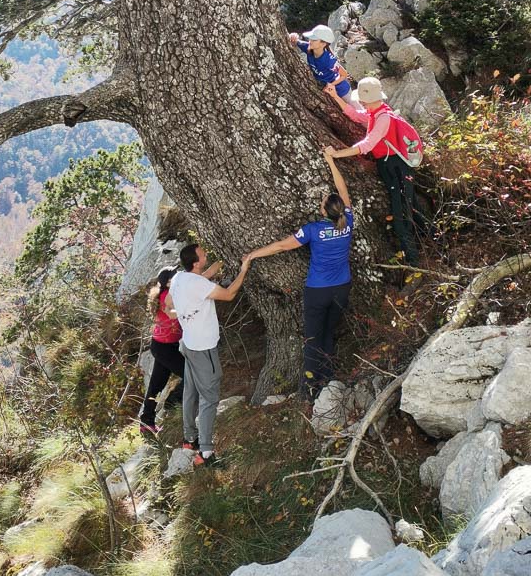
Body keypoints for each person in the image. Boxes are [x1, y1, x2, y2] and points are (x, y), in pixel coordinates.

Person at [244, 149, 353, 401]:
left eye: (322, 200)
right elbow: (343, 190)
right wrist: (331, 162)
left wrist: (253, 254)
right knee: (327, 333)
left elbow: (282, 245)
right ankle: (328, 379)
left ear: (324, 210)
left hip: (317, 292)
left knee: (313, 338)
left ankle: (309, 390)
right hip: (342, 288)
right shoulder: (347, 221)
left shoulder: (313, 230)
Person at [325, 75, 420, 265]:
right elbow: (356, 116)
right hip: (390, 166)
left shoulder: (383, 117)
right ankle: (428, 242)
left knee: (401, 213)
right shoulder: (376, 112)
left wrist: (337, 154)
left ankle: (413, 260)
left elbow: (367, 144)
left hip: (397, 168)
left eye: (363, 100)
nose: (362, 104)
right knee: (407, 206)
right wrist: (335, 97)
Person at [170, 244, 251, 466]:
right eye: (203, 255)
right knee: (210, 399)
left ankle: (189, 438)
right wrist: (244, 269)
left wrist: (219, 264)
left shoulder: (179, 278)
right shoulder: (197, 283)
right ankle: (206, 453)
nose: (206, 255)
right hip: (203, 349)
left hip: (188, 344)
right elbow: (229, 294)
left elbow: (198, 283)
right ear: (196, 262)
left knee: (190, 392)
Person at [137, 260, 220, 435]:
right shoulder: (166, 296)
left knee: (156, 386)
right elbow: (174, 308)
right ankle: (172, 402)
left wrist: (220, 263)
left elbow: (201, 278)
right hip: (163, 348)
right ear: (168, 282)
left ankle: (146, 421)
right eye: (174, 274)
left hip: (164, 346)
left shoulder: (171, 291)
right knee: (191, 375)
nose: (178, 274)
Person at [289, 24, 352, 101]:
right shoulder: (309, 48)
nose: (310, 41)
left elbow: (344, 74)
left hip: (342, 91)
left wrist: (331, 85)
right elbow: (294, 40)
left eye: (314, 40)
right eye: (311, 38)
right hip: (327, 92)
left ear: (323, 44)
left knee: (354, 110)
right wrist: (292, 36)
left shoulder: (328, 60)